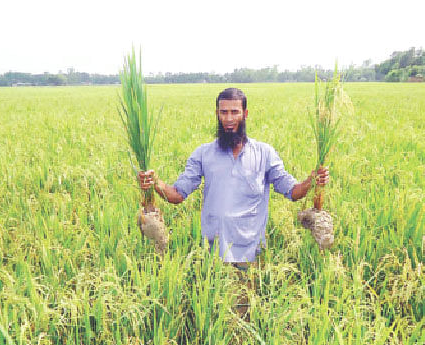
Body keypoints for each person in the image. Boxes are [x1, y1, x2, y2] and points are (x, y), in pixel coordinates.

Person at [138, 87, 329, 264]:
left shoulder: (264, 153)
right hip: (213, 253)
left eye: (234, 112)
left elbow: (292, 192)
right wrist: (155, 183)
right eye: (224, 112)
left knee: (249, 298)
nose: (229, 118)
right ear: (217, 114)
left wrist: (311, 181)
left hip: (252, 252)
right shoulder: (203, 154)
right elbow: (177, 195)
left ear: (245, 114)